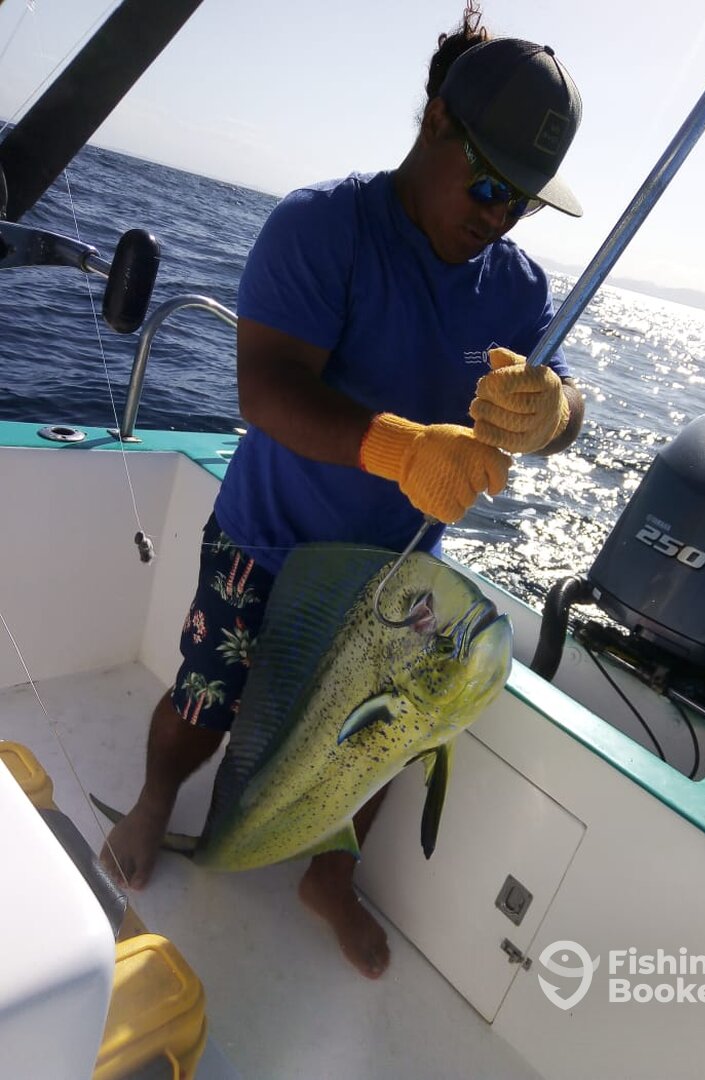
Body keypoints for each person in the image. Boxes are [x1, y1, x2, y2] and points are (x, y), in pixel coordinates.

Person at [101, 4, 586, 980]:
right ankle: (155, 802)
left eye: (522, 202)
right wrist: (403, 449)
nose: (498, 216)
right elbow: (266, 388)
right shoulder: (322, 226)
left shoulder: (520, 289)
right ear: (436, 122)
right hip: (268, 538)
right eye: (488, 185)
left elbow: (562, 399)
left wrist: (557, 413)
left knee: (382, 741)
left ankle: (330, 874)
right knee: (205, 700)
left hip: (392, 574)